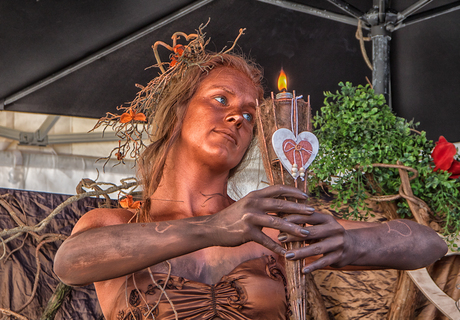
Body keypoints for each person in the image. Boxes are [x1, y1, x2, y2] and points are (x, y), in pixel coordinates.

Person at [54, 36, 447, 320]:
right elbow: (69, 264)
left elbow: (428, 244)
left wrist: (347, 243)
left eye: (250, 115)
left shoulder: (271, 228)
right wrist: (213, 227)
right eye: (221, 99)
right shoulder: (113, 226)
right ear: (178, 112)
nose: (236, 118)